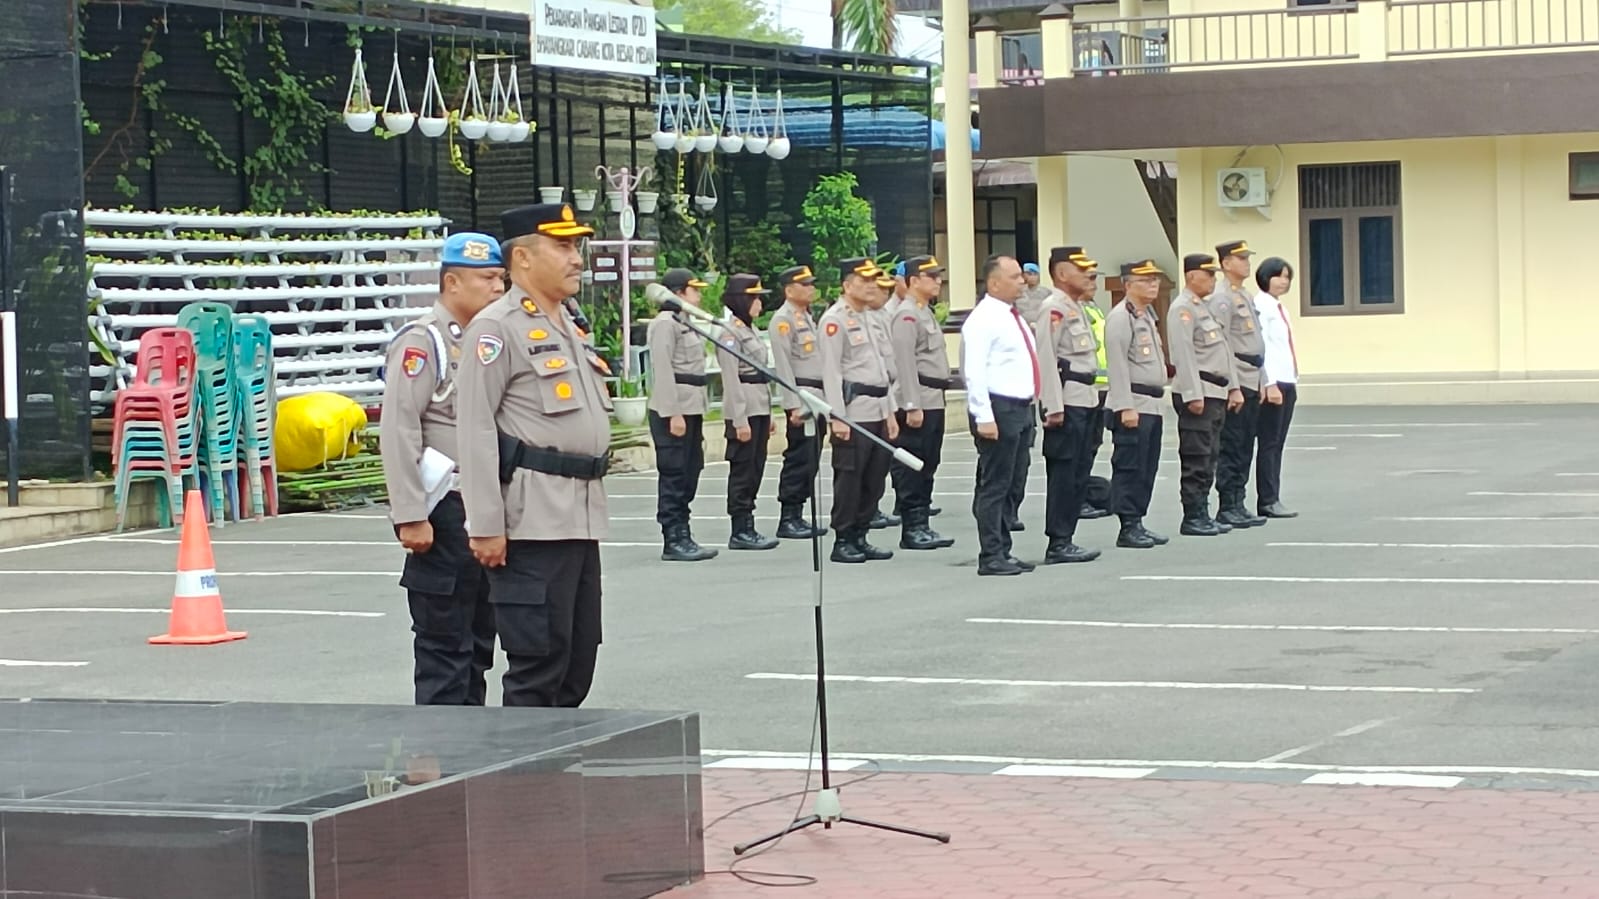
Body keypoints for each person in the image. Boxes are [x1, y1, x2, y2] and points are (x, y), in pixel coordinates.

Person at [456, 202, 607, 708]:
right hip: (531, 521)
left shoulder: (568, 324)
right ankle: (523, 762)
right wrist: (485, 525)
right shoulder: (496, 328)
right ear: (522, 258)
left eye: (576, 246)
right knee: (538, 666)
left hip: (579, 515)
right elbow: (474, 427)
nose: (576, 258)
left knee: (577, 661)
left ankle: (558, 759)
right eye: (562, 246)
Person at [380, 231, 504, 706]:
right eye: (486, 278)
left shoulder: (487, 339)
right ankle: (441, 749)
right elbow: (399, 429)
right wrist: (410, 514)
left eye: (501, 278)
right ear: (452, 282)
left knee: (479, 644)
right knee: (445, 647)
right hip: (444, 508)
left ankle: (471, 744)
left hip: (483, 508)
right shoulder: (424, 341)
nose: (498, 288)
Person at [961, 255, 1040, 576]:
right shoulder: (983, 319)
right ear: (994, 283)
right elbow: (974, 371)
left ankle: (1004, 548)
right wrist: (984, 415)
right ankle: (991, 554)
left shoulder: (1011, 315)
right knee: (995, 484)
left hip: (1020, 407)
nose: (1022, 281)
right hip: (998, 407)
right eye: (1015, 276)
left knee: (1013, 482)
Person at [819, 257, 900, 563]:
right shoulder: (834, 320)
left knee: (874, 478)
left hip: (878, 408)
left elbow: (881, 370)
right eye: (863, 281)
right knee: (850, 479)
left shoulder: (870, 317)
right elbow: (831, 372)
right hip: (854, 413)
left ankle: (861, 534)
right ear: (847, 285)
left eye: (872, 281)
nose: (870, 286)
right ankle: (843, 538)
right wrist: (837, 417)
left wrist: (890, 412)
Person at [1034, 246, 1104, 564]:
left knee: (1079, 472)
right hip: (1068, 402)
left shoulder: (1076, 307)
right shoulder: (1054, 308)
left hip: (1086, 399)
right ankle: (1058, 541)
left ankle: (1067, 537)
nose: (1090, 275)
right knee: (1064, 473)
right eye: (1082, 270)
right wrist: (1053, 405)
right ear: (1062, 274)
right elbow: (1046, 358)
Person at [1167, 253, 1243, 538]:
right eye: (1208, 274)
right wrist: (1192, 394)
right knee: (1196, 456)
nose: (1213, 279)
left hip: (1215, 391)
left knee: (1210, 455)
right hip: (1199, 391)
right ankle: (1193, 515)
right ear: (1191, 276)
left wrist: (1233, 387)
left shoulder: (1204, 307)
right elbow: (1183, 354)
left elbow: (1223, 349)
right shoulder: (1183, 308)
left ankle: (1203, 511)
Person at [647, 268, 717, 562]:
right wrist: (673, 413)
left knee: (691, 469)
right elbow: (663, 370)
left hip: (692, 407)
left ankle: (684, 532)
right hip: (674, 410)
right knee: (674, 474)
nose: (698, 295)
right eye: (694, 290)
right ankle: (674, 538)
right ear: (678, 293)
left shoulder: (684, 321)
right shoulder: (665, 323)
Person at [889, 255, 956, 550]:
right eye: (931, 276)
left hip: (933, 398)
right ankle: (912, 527)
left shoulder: (923, 312)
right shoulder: (906, 315)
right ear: (914, 281)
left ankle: (922, 523)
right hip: (919, 400)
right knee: (913, 465)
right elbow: (904, 363)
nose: (938, 281)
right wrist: (911, 404)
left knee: (929, 462)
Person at [1105, 259, 1171, 549]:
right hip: (1134, 403)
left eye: (1155, 279)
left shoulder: (1145, 316)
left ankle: (1138, 520)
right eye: (1145, 280)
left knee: (1147, 466)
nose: (1153, 284)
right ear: (1128, 285)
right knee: (1130, 466)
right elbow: (1117, 364)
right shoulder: (1122, 317)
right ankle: (1128, 525)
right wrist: (1124, 406)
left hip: (1151, 404)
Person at [716, 273, 780, 550]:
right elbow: (731, 380)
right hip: (743, 410)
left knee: (756, 468)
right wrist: (739, 420)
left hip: (758, 407)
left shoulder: (749, 330)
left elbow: (761, 375)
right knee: (743, 471)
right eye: (755, 298)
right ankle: (740, 528)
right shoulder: (729, 334)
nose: (759, 304)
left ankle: (748, 525)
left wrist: (769, 413)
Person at [767, 265, 827, 539]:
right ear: (789, 290)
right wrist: (792, 404)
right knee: (799, 458)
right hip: (802, 398)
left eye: (811, 284)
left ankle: (799, 513)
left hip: (817, 398)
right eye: (805, 284)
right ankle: (789, 516)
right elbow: (783, 366)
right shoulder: (783, 320)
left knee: (811, 457)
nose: (811, 289)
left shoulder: (807, 317)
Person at [1211, 240, 1268, 529]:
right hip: (1238, 379)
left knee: (1246, 444)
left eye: (1247, 258)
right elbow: (1223, 345)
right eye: (1241, 258)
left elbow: (1256, 342)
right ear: (1225, 263)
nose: (1247, 263)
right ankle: (1227, 504)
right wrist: (1233, 386)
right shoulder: (1221, 298)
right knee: (1232, 445)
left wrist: (1264, 380)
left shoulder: (1244, 294)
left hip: (1252, 376)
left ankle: (1239, 501)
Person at [1253, 256, 1301, 519]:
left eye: (1287, 277)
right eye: (1278, 276)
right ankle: (1268, 499)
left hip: (1287, 380)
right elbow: (1262, 347)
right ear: (1265, 277)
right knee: (1269, 443)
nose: (1283, 281)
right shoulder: (1261, 305)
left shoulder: (1278, 306)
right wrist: (1269, 382)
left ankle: (1273, 496)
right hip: (1274, 382)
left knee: (1278, 443)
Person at [867, 268, 902, 531]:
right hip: (864, 400)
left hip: (886, 392)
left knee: (879, 462)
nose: (884, 293)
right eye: (881, 288)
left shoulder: (884, 315)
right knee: (863, 464)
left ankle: (873, 506)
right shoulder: (860, 318)